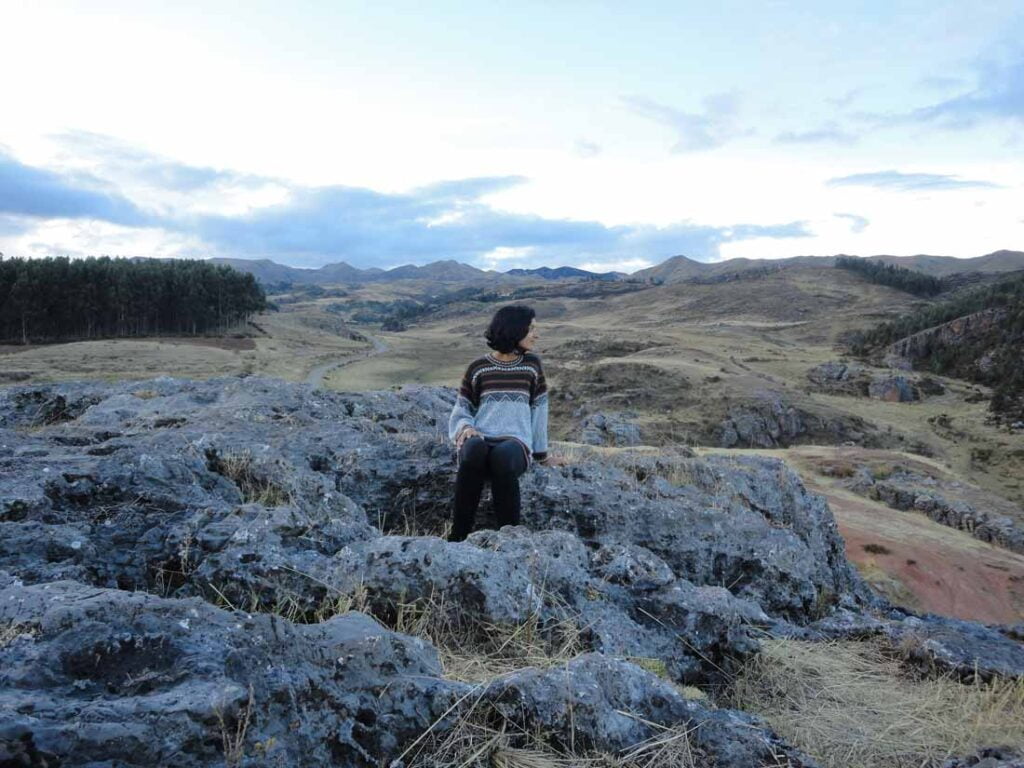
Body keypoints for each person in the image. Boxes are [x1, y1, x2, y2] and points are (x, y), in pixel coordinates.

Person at [447, 305, 566, 542]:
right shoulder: (478, 367)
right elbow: (462, 409)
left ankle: (509, 537)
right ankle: (458, 536)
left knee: (502, 456)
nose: (536, 334)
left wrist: (541, 456)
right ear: (515, 329)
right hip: (482, 439)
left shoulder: (531, 366)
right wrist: (465, 428)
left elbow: (539, 411)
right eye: (531, 328)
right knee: (473, 449)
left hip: (515, 444)